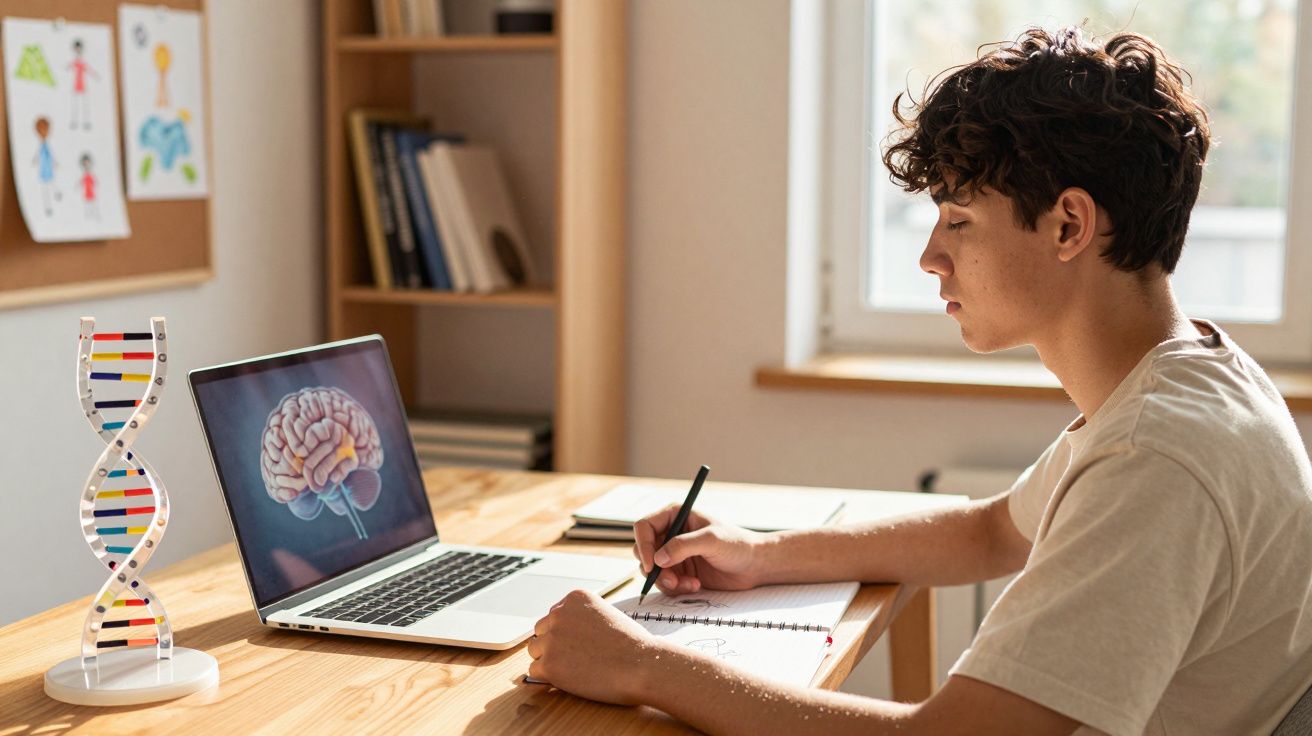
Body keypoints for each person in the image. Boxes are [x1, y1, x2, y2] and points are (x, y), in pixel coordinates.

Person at [527, 25, 1312, 735]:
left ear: (1069, 224)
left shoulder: (1155, 458)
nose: (931, 257)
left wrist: (640, 664)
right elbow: (994, 530)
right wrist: (759, 555)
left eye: (959, 222)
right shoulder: (1196, 370)